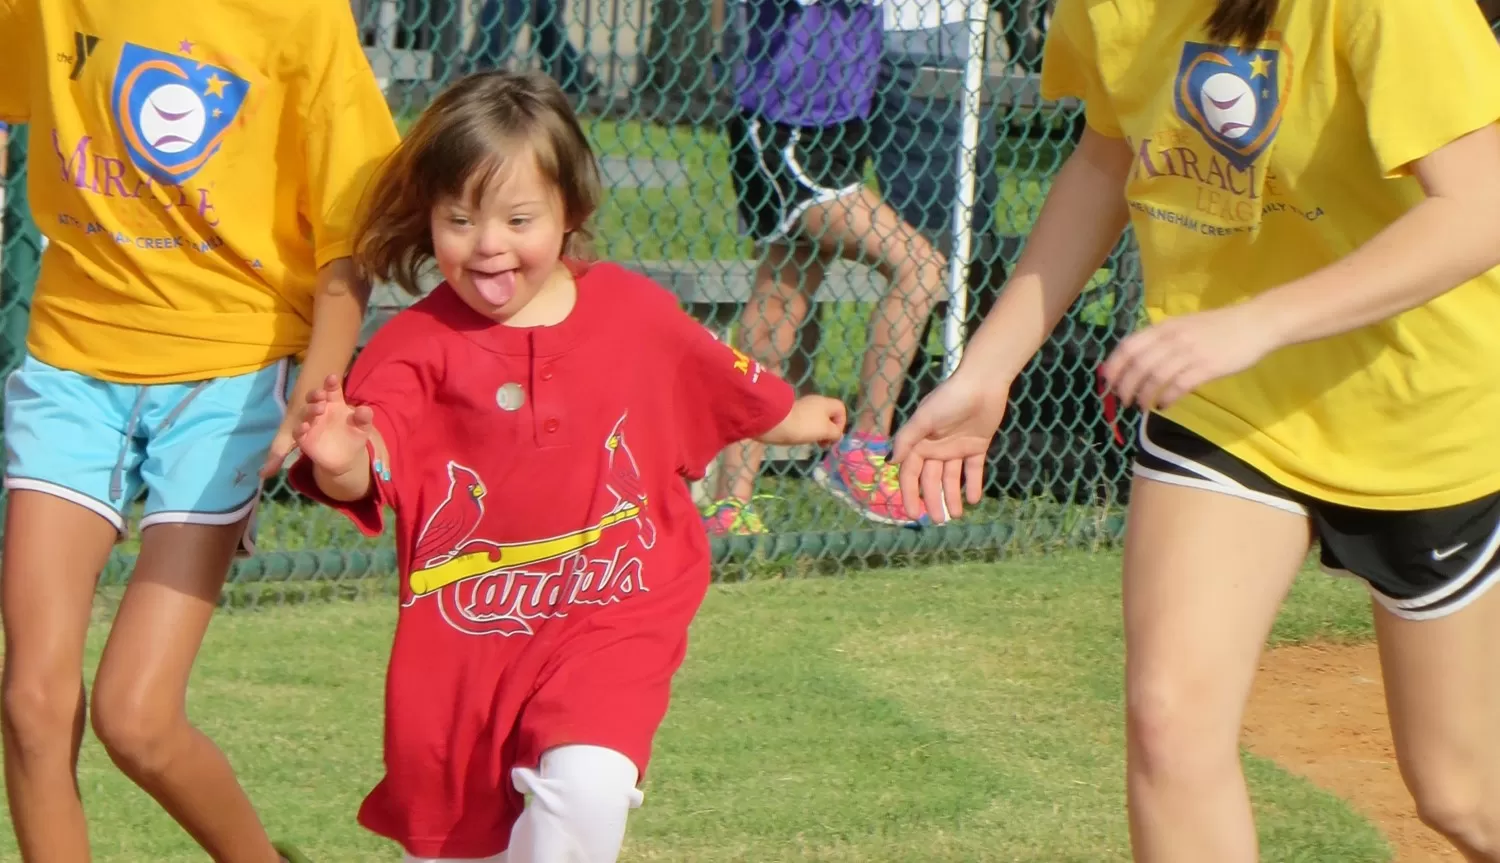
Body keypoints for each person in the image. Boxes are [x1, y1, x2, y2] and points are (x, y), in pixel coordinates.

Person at [890, 0, 1500, 860]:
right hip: (1223, 395)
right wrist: (988, 369)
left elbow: (1482, 208)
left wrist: (1261, 320)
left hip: (1420, 409)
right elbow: (1108, 155)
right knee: (1169, 719)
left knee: (1461, 794)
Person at [286, 70, 847, 862]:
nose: (488, 245)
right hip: (467, 647)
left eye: (519, 218)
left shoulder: (631, 310)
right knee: (462, 838)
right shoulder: (412, 348)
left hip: (612, 617)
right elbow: (367, 470)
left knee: (587, 788)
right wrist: (341, 457)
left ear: (569, 212)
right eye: (458, 219)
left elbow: (709, 379)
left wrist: (793, 417)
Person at [0, 0, 399, 860]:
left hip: (229, 383)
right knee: (32, 703)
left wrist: (308, 398)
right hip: (73, 368)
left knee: (135, 717)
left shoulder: (301, 18)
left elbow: (348, 243)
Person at [703, 0, 944, 533]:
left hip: (839, 127)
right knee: (919, 266)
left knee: (776, 313)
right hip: (785, 131)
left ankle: (729, 505)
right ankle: (862, 450)